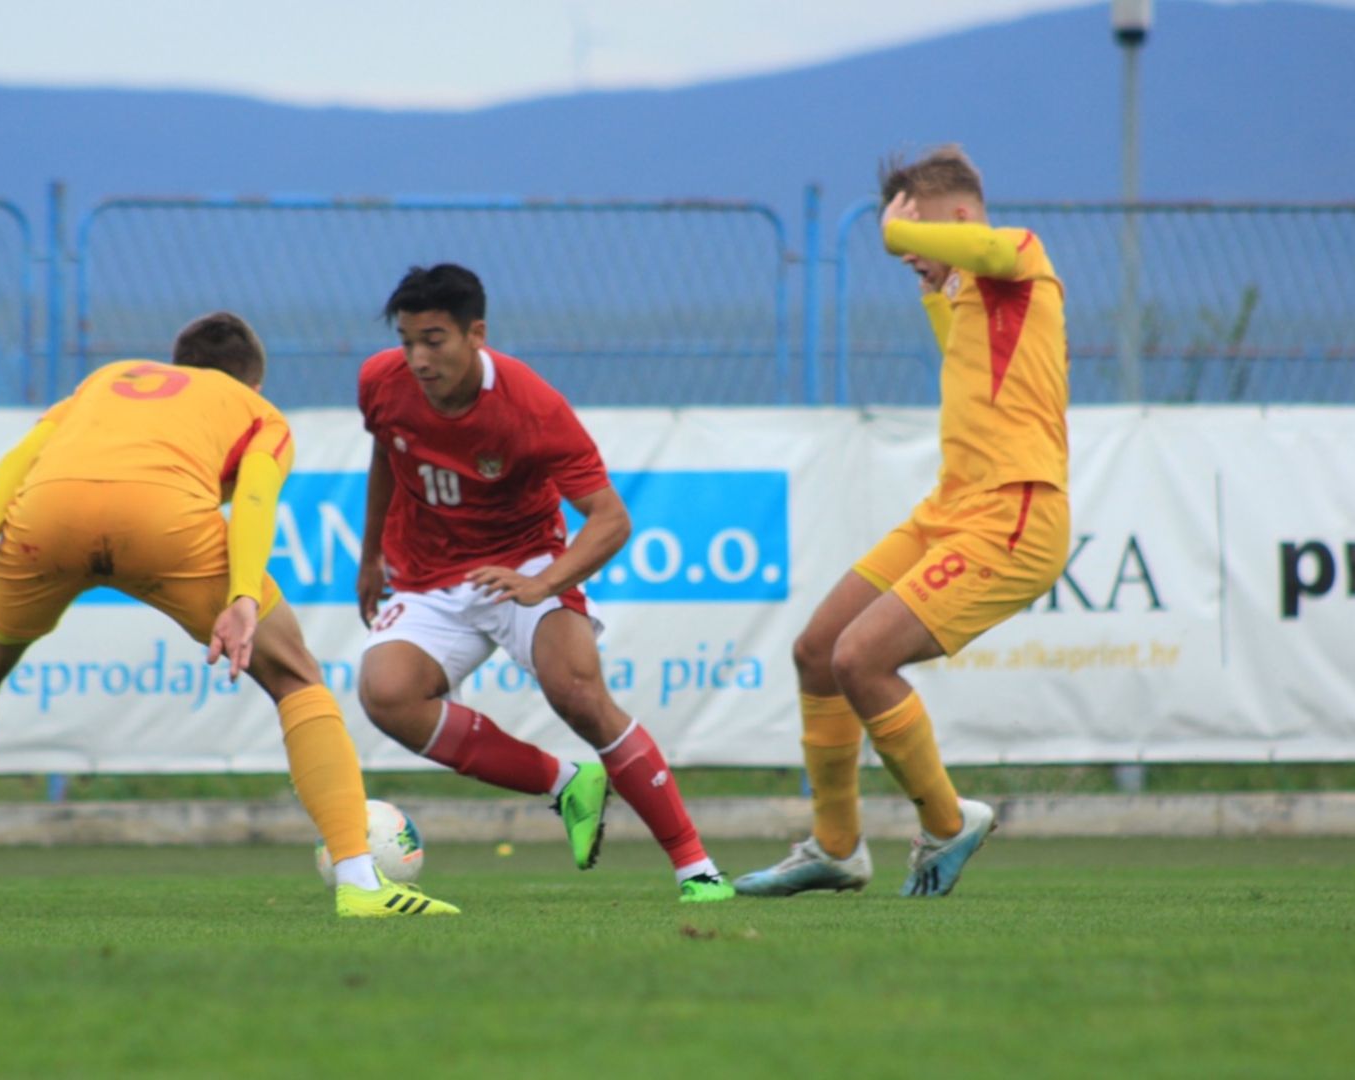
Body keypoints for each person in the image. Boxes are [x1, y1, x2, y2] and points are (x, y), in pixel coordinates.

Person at [0, 312, 459, 919]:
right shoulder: (257, 412)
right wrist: (243, 595)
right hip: (165, 524)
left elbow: (20, 458)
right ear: (254, 383)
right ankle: (359, 881)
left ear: (176, 367)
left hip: (47, 518)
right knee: (296, 676)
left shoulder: (106, 381)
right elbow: (255, 495)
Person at [738, 146, 1071, 899]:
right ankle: (835, 847)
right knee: (818, 651)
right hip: (950, 509)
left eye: (921, 232)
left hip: (1015, 515)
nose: (910, 253)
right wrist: (932, 285)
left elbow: (988, 251)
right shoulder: (969, 293)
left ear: (960, 218)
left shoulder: (1021, 254)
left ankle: (949, 824)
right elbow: (967, 359)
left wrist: (897, 233)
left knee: (861, 660)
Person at [354, 263, 733, 903]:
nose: (418, 359)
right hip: (426, 574)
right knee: (387, 695)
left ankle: (696, 868)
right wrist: (371, 557)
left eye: (434, 341)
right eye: (407, 340)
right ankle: (564, 783)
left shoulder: (530, 405)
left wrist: (544, 583)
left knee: (578, 693)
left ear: (476, 334)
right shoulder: (380, 381)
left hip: (524, 561)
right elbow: (387, 454)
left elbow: (611, 520)